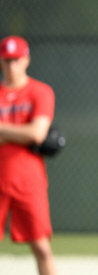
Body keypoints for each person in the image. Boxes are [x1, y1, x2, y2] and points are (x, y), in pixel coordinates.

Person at [0, 36, 56, 275]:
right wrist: (19, 133)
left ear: (26, 60)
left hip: (28, 179)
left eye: (16, 59)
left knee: (41, 246)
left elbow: (37, 133)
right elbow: (29, 132)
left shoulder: (40, 91)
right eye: (7, 60)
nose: (12, 65)